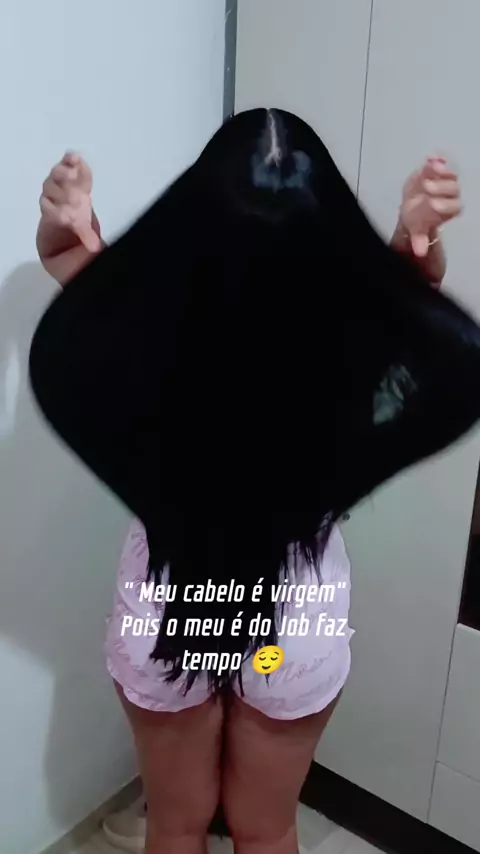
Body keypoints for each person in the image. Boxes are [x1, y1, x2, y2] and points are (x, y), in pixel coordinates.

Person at [37, 111, 462, 854]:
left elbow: (70, 267)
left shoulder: (151, 308)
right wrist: (408, 244)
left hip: (170, 613)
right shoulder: (345, 323)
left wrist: (68, 225)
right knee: (267, 830)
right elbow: (418, 310)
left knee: (175, 823)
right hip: (291, 633)